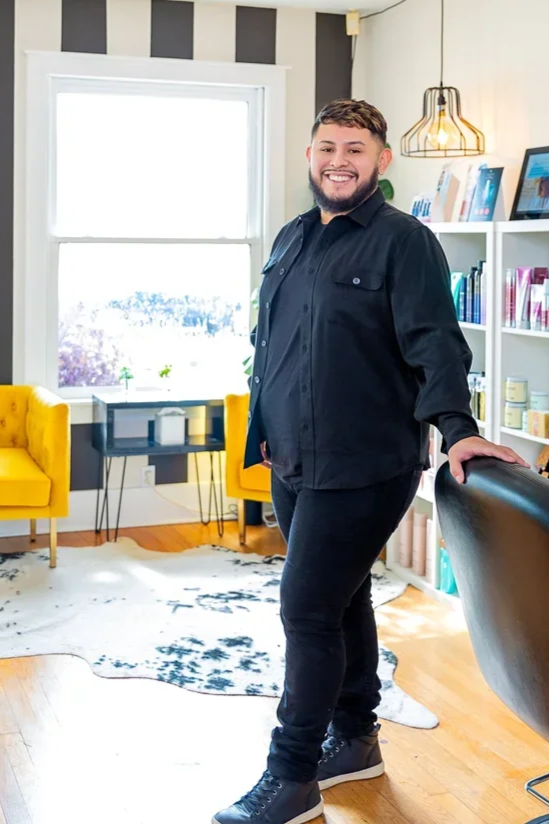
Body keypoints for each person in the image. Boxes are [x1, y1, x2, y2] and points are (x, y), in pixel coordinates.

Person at [212, 99, 528, 824]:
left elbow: (434, 342)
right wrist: (263, 430)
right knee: (342, 597)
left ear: (381, 160)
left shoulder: (402, 241)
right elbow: (275, 347)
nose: (338, 160)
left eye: (355, 148)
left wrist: (456, 430)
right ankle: (354, 739)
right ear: (309, 155)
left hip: (364, 463)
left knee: (307, 608)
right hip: (291, 457)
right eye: (327, 146)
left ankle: (291, 777)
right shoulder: (292, 238)